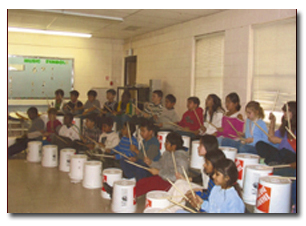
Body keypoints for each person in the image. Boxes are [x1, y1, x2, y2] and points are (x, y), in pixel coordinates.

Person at [179, 158, 245, 213]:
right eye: (214, 173)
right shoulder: (216, 188)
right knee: (179, 212)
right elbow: (212, 208)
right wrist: (201, 203)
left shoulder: (234, 200)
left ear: (227, 178)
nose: (213, 176)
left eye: (217, 174)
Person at [135, 132, 189, 197]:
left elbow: (176, 178)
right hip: (163, 178)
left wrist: (159, 172)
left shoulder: (181, 159)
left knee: (149, 186)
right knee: (142, 182)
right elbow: (160, 164)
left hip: (173, 184)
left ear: (174, 146)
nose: (165, 144)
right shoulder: (167, 153)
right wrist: (151, 163)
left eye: (167, 143)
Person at [256, 101, 296, 165]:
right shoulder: (285, 126)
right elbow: (271, 138)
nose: (285, 114)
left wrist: (280, 141)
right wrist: (273, 121)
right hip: (281, 153)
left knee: (284, 152)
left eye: (288, 111)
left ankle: (271, 161)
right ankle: (274, 161)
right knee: (260, 144)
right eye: (284, 112)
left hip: (292, 155)